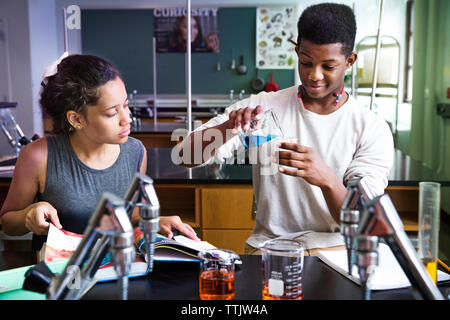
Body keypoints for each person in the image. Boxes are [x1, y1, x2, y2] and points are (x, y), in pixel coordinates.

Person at [175, 3, 394, 256]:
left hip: (335, 252)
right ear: (297, 52)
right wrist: (227, 127)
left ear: (350, 61)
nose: (314, 75)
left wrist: (327, 180)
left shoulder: (370, 127)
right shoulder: (262, 107)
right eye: (306, 62)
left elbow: (359, 222)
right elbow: (183, 157)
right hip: (270, 250)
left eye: (328, 66)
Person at [0, 54, 199, 251]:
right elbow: (7, 222)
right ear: (76, 119)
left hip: (115, 267)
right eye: (112, 113)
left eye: (126, 105)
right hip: (60, 274)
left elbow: (131, 216)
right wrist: (29, 213)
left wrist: (155, 223)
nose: (126, 119)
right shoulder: (38, 156)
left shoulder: (135, 152)